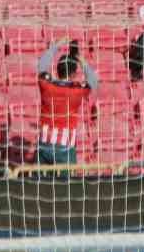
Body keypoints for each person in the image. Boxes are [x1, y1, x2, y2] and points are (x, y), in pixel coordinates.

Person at [36, 38, 98, 166]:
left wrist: (56, 45)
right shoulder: (77, 90)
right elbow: (93, 81)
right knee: (66, 185)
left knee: (42, 184)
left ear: (57, 71)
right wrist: (79, 58)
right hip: (64, 147)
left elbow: (41, 66)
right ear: (75, 73)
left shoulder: (47, 85)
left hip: (44, 144)